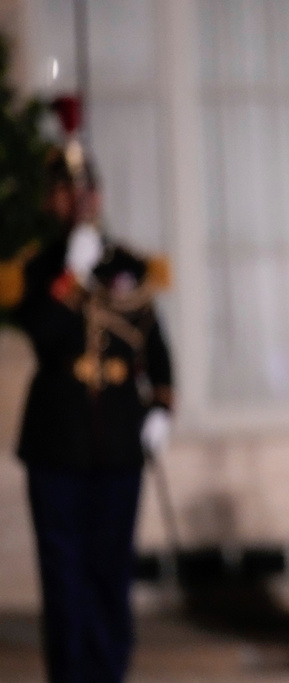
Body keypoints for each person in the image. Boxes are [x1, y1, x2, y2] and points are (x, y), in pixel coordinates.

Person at [10, 150, 174, 682]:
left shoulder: (127, 265)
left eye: (85, 188)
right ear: (50, 200)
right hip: (57, 444)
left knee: (109, 574)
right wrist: (71, 274)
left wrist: (161, 411)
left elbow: (157, 348)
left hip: (119, 441)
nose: (78, 199)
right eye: (65, 189)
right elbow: (44, 334)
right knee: (64, 578)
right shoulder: (35, 268)